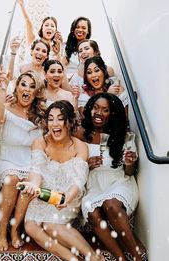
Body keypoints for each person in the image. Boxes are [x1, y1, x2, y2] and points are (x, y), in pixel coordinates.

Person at [17, 100, 104, 261]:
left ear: (69, 122)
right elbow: (36, 171)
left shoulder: (80, 146)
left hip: (68, 194)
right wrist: (33, 185)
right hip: (46, 194)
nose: (54, 123)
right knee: (30, 227)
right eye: (50, 119)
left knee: (50, 225)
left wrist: (67, 198)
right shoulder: (40, 142)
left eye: (60, 118)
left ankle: (93, 257)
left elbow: (78, 180)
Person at [75, 93, 147, 261]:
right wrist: (87, 164)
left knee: (111, 205)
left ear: (112, 114)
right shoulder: (81, 135)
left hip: (119, 181)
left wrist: (130, 162)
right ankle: (120, 258)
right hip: (94, 184)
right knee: (92, 212)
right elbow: (72, 165)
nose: (98, 113)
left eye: (105, 110)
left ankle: (137, 257)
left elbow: (129, 173)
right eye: (95, 108)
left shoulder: (124, 137)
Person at [0, 69, 46, 251]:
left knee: (27, 186)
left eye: (32, 87)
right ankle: (1, 230)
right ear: (16, 88)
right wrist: (2, 87)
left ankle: (14, 229)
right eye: (23, 84)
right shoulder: (6, 108)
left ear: (36, 92)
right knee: (12, 179)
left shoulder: (39, 118)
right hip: (5, 158)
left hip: (28, 161)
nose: (27, 90)